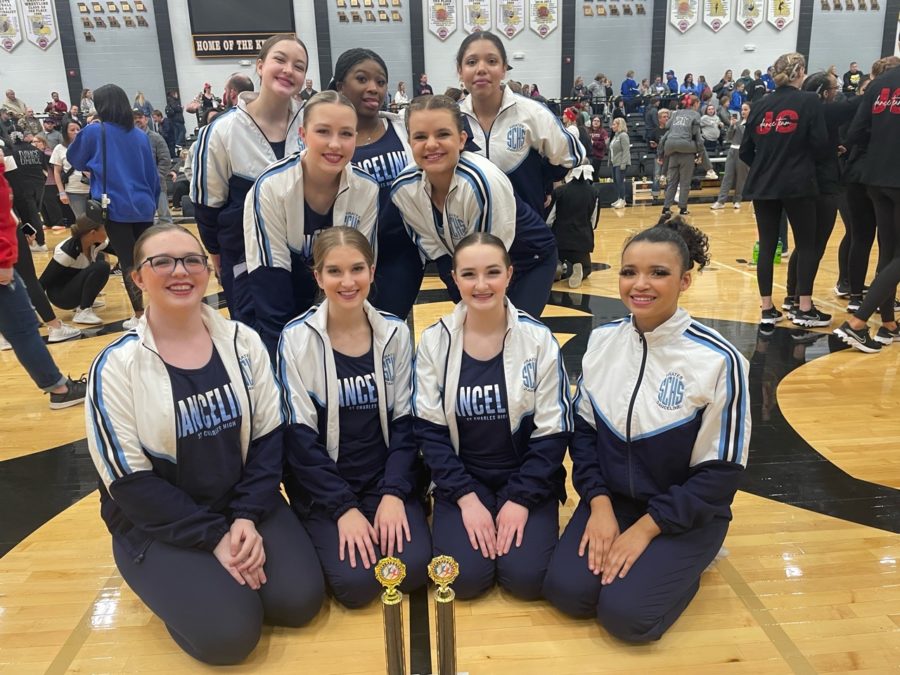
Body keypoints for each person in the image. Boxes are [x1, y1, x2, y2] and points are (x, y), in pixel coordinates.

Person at [84, 223, 324, 664]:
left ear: (208, 271)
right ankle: (169, 580)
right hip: (157, 525)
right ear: (138, 277)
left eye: (192, 260)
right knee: (229, 637)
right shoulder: (115, 367)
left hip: (241, 507)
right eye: (162, 262)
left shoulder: (242, 342)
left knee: (299, 601)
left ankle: (217, 579)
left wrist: (246, 518)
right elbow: (130, 484)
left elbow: (270, 439)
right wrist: (214, 537)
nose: (181, 271)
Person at [542, 216, 750, 642]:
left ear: (685, 280)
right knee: (567, 594)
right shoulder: (603, 342)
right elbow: (583, 435)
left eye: (659, 273)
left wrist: (646, 529)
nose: (641, 284)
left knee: (627, 618)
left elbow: (721, 474)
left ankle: (691, 561)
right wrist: (598, 506)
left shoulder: (719, 361)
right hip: (614, 501)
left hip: (684, 515)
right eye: (629, 272)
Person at [277, 227, 431, 607]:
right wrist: (343, 508)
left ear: (373, 271)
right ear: (318, 276)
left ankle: (408, 505)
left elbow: (405, 427)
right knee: (358, 586)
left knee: (411, 571)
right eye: (334, 271)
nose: (347, 282)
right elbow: (300, 440)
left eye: (357, 269)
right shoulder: (296, 339)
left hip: (383, 479)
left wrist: (394, 494)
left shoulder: (394, 333)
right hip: (326, 488)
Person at [413, 232, 571, 600]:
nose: (481, 285)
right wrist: (466, 499)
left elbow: (552, 433)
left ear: (509, 275)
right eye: (469, 274)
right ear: (454, 279)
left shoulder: (539, 341)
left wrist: (520, 498)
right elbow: (430, 434)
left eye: (492, 272)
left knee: (527, 580)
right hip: (464, 479)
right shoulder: (435, 342)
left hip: (527, 477)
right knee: (464, 580)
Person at [391, 95, 558, 319]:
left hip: (529, 258)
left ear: (461, 139)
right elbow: (434, 247)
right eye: (420, 136)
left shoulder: (483, 182)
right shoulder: (403, 189)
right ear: (409, 142)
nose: (431, 144)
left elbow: (490, 258)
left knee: (509, 333)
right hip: (473, 265)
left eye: (443, 134)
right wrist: (457, 288)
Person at [244, 91, 378, 354]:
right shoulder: (271, 187)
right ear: (303, 135)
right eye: (323, 132)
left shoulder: (367, 188)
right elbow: (270, 281)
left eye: (346, 134)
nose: (335, 144)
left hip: (335, 291)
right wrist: (288, 355)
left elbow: (358, 275)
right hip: (276, 292)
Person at [191, 34, 307, 326]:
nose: (288, 70)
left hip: (306, 258)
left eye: (299, 65)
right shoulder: (221, 131)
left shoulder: (312, 124)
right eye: (279, 60)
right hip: (245, 259)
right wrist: (216, 253)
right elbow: (208, 205)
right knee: (257, 343)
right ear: (259, 66)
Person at [330, 48, 423, 320]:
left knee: (393, 328)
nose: (373, 88)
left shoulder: (404, 130)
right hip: (349, 255)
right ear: (340, 86)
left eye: (380, 82)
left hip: (400, 254)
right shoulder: (330, 141)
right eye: (362, 79)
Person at [740, 52, 830, 327]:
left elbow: (745, 151)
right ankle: (804, 307)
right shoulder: (809, 100)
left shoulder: (759, 104)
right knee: (806, 245)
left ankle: (767, 309)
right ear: (800, 70)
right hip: (798, 183)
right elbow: (820, 144)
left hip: (763, 185)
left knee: (767, 246)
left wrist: (766, 166)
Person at [457, 32, 586, 218]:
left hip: (525, 235)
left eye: (492, 61)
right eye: (471, 62)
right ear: (460, 70)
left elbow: (569, 156)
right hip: (470, 237)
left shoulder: (533, 113)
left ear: (503, 69)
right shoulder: (450, 119)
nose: (481, 69)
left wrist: (542, 181)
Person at [67, 83, 160, 329]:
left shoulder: (95, 132)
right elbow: (152, 176)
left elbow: (74, 158)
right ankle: (159, 308)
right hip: (143, 205)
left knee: (129, 262)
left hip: (115, 207)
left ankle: (140, 315)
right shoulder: (140, 135)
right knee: (147, 259)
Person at [0, 155, 87, 408]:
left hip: (12, 235)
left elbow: (16, 202)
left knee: (21, 325)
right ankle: (58, 387)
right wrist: (5, 259)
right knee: (23, 325)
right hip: (5, 253)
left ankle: (57, 384)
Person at [781, 71, 862, 317]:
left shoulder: (797, 109)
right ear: (825, 93)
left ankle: (791, 296)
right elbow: (858, 104)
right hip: (822, 184)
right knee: (814, 246)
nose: (838, 93)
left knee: (803, 245)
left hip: (797, 182)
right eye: (835, 89)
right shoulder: (824, 110)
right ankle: (802, 304)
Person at [834, 57, 900, 352]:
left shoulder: (879, 84)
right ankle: (857, 323)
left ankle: (888, 325)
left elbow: (856, 130)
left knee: (889, 253)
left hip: (874, 177)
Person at [39, 216, 110, 325]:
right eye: (104, 229)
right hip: (60, 295)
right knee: (102, 267)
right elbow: (42, 283)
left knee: (99, 258)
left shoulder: (97, 243)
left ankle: (84, 301)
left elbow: (122, 251)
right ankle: (83, 312)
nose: (107, 232)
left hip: (72, 285)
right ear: (92, 233)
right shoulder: (66, 252)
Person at [547, 164, 599, 288]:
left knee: (554, 259)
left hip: (559, 240)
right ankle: (580, 268)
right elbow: (594, 221)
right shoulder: (594, 193)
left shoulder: (559, 191)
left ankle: (558, 266)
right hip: (581, 241)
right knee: (586, 268)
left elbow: (549, 219)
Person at [659, 95, 703, 216]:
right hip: (686, 153)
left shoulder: (675, 114)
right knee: (685, 182)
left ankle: (666, 208)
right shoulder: (695, 116)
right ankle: (682, 208)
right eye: (698, 103)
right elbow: (696, 135)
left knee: (672, 182)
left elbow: (666, 127)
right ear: (694, 104)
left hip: (672, 151)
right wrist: (700, 152)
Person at [5, 131, 49, 250]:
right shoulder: (36, 151)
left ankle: (39, 242)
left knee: (27, 217)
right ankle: (37, 242)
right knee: (35, 215)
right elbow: (45, 171)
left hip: (22, 188)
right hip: (39, 186)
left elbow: (10, 173)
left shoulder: (11, 152)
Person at [133, 109, 173, 226]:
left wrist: (156, 177)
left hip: (158, 186)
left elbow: (165, 161)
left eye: (139, 118)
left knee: (164, 218)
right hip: (137, 187)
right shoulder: (128, 139)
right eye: (134, 119)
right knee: (143, 219)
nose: (137, 121)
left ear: (146, 119)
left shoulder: (156, 138)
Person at [710, 102, 750, 209]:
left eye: (746, 109)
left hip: (744, 152)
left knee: (741, 178)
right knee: (727, 176)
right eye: (742, 109)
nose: (743, 112)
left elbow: (746, 136)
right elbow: (729, 137)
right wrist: (732, 125)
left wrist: (737, 125)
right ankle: (720, 201)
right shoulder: (738, 122)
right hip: (732, 150)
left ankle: (737, 200)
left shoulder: (752, 123)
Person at [51, 119, 89, 219]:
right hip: (74, 191)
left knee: (99, 222)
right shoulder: (60, 148)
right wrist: (62, 192)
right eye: (72, 130)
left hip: (93, 189)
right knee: (82, 221)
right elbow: (57, 172)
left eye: (78, 129)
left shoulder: (89, 145)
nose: (76, 132)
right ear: (65, 132)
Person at [609, 117, 631, 210]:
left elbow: (626, 150)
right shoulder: (615, 136)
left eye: (614, 124)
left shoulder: (623, 135)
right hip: (615, 163)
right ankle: (619, 198)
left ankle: (622, 200)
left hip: (621, 163)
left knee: (620, 181)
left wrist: (623, 164)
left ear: (619, 125)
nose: (612, 126)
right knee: (616, 181)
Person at [588, 114, 609, 179]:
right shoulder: (588, 130)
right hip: (588, 157)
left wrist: (594, 143)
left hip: (597, 157)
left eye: (598, 121)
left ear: (600, 123)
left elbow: (604, 144)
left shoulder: (603, 132)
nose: (596, 122)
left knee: (594, 175)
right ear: (592, 122)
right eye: (594, 120)